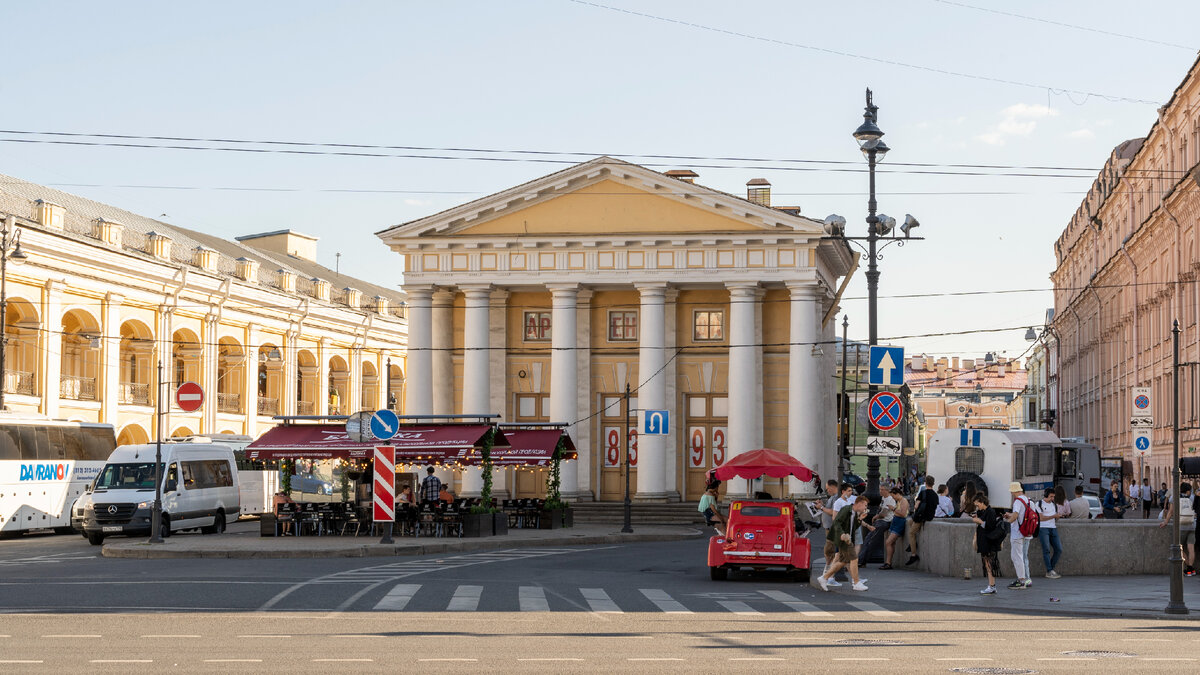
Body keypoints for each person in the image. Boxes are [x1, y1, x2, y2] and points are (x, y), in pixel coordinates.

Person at [817, 495, 870, 592]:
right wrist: (842, 534)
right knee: (854, 559)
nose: (865, 508)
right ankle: (856, 583)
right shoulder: (846, 510)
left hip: (846, 538)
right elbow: (837, 522)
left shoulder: (853, 512)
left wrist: (860, 519)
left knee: (843, 561)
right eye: (865, 505)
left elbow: (853, 527)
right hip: (843, 539)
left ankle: (824, 577)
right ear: (860, 503)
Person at [1159, 481, 1196, 576]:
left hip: (1180, 526)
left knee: (1179, 548)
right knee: (1191, 548)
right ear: (1188, 491)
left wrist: (1165, 522)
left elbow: (1170, 512)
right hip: (1192, 525)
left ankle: (1189, 568)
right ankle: (1190, 569)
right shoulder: (1192, 497)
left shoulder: (1174, 497)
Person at [970, 493, 1005, 595]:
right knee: (987, 564)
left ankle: (992, 586)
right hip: (985, 542)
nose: (977, 507)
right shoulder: (984, 511)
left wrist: (979, 521)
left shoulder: (990, 512)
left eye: (977, 504)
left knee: (989, 564)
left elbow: (990, 526)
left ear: (982, 502)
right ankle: (991, 585)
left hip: (989, 543)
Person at [1004, 482, 1034, 589]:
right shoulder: (1028, 500)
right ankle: (1024, 579)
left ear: (1014, 490)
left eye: (1012, 491)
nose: (1011, 493)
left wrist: (1007, 523)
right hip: (1026, 532)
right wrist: (1010, 515)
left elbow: (1016, 515)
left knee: (1017, 557)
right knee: (1021, 556)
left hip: (1017, 532)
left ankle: (1022, 580)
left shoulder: (1017, 501)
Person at [907, 476, 938, 565]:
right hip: (930, 517)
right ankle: (912, 543)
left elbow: (916, 506)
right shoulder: (935, 495)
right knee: (910, 521)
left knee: (911, 533)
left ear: (925, 483)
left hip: (921, 517)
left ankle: (913, 555)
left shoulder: (923, 493)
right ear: (933, 484)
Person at [1034, 488, 1063, 578]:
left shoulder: (1054, 505)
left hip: (1053, 527)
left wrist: (1057, 516)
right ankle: (1049, 570)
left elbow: (1054, 518)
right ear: (1046, 495)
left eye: (1053, 497)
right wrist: (1054, 516)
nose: (1052, 499)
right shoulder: (1039, 504)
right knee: (1046, 549)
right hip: (1043, 528)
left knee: (1059, 549)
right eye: (1051, 496)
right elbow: (1041, 518)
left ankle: (1051, 568)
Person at [881, 487, 909, 570]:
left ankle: (888, 563)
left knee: (888, 542)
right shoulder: (899, 501)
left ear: (897, 494)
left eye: (893, 496)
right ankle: (888, 562)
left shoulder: (904, 501)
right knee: (891, 543)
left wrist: (893, 508)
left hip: (899, 522)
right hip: (896, 521)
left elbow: (903, 514)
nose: (893, 498)